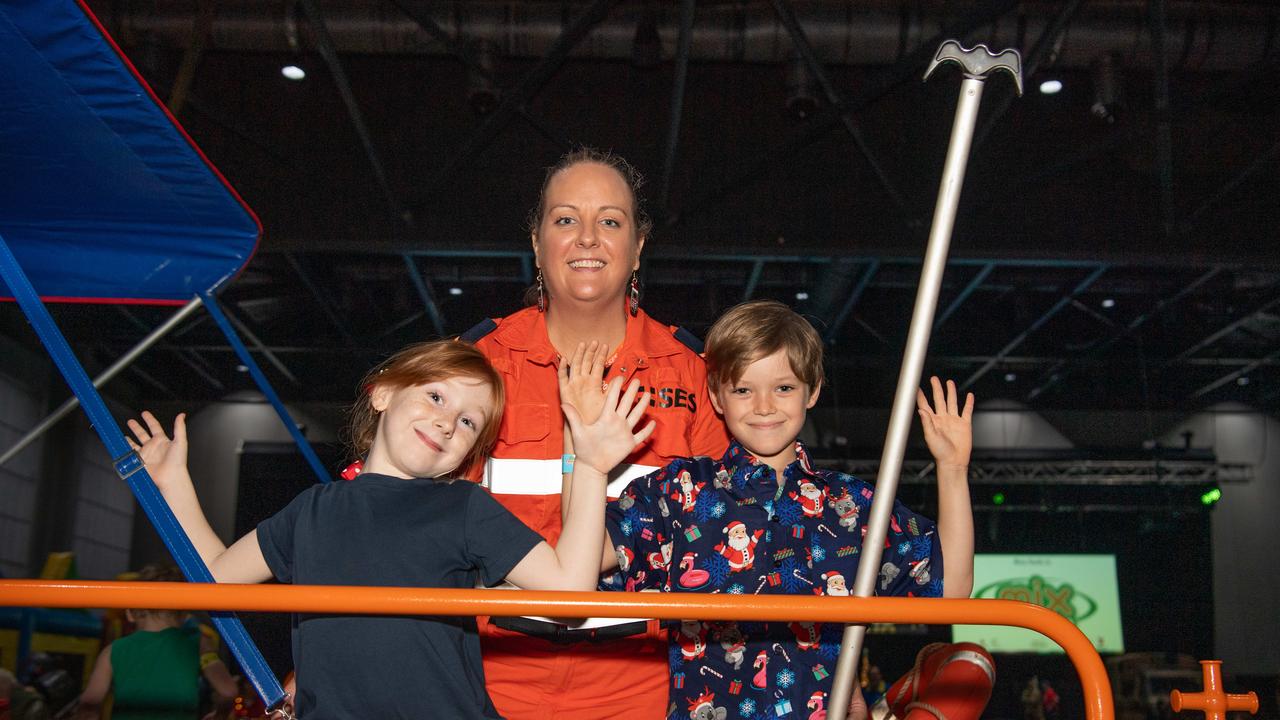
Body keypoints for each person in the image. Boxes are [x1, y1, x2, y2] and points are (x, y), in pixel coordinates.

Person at [127, 340, 654, 719]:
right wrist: (172, 484)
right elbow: (217, 575)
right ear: (382, 394)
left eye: (471, 422)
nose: (450, 422)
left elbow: (569, 592)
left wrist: (587, 465)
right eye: (436, 397)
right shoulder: (313, 509)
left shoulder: (463, 507)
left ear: (466, 454)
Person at [570, 299, 993, 720]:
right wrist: (586, 459)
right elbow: (580, 567)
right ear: (717, 396)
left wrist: (953, 469)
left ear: (814, 390)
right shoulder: (679, 492)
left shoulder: (854, 504)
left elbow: (950, 589)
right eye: (742, 389)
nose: (764, 406)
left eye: (784, 387)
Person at [462, 147, 728, 718]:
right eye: (565, 220)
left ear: (638, 248)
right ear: (536, 242)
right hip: (488, 677)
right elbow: (398, 507)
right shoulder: (472, 366)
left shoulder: (695, 374)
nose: (587, 238)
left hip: (642, 684)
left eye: (610, 221)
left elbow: (739, 528)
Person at [74, 565, 237, 720]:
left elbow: (89, 703)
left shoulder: (112, 651)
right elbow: (228, 691)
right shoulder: (199, 644)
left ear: (130, 613)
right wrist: (220, 714)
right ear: (183, 615)